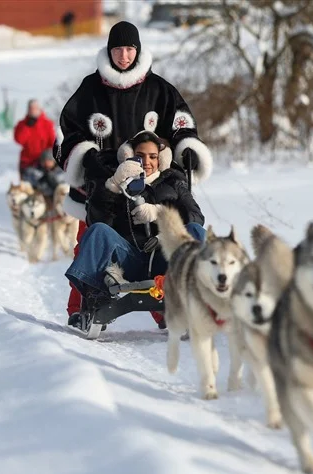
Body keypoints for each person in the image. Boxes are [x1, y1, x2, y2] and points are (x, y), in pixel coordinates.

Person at [57, 20, 214, 326]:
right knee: (89, 241)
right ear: (109, 51)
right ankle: (82, 306)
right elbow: (70, 129)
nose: (124, 56)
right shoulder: (90, 89)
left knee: (160, 241)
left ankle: (167, 310)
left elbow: (180, 123)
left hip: (155, 183)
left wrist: (187, 146)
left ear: (138, 51)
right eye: (118, 50)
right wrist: (88, 158)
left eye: (129, 50)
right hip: (102, 181)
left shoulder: (159, 89)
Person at [64, 131, 205, 330]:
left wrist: (160, 213)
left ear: (160, 159)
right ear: (129, 155)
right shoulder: (118, 180)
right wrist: (113, 186)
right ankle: (96, 301)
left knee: (195, 231)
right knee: (97, 231)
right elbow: (96, 220)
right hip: (128, 259)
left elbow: (196, 217)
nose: (147, 162)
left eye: (153, 156)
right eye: (140, 156)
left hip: (165, 258)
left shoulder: (173, 181)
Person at [14, 99, 56, 178]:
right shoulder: (22, 124)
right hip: (27, 162)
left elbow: (52, 143)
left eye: (35, 108)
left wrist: (50, 159)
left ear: (39, 109)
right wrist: (27, 127)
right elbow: (18, 140)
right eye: (31, 109)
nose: (33, 111)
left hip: (44, 162)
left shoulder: (48, 124)